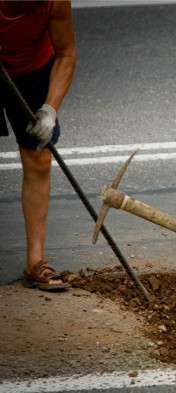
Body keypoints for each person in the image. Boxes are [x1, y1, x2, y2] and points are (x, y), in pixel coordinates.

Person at [0, 0, 77, 291]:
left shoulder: (54, 2)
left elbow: (66, 54)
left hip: (32, 70)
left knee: (39, 158)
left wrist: (50, 110)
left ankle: (35, 263)